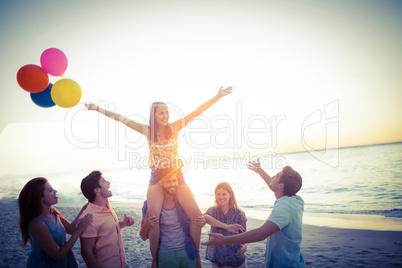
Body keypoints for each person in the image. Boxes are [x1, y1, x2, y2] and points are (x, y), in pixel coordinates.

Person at [86, 85, 233, 267]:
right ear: (154, 115)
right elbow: (121, 119)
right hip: (156, 177)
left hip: (176, 175)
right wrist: (97, 108)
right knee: (153, 217)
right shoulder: (147, 131)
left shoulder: (175, 126)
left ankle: (196, 255)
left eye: (167, 112)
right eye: (161, 113)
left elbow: (198, 112)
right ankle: (155, 258)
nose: (165, 116)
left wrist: (218, 95)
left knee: (196, 216)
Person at [202, 159, 305, 268]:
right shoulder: (295, 200)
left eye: (276, 175)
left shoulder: (284, 207)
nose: (273, 176)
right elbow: (274, 184)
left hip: (285, 265)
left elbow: (260, 234)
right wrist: (260, 171)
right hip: (293, 261)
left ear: (281, 186)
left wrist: (224, 240)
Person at [140, 169, 243, 268]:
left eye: (174, 180)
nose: (172, 184)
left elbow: (201, 218)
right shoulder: (148, 206)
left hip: (187, 251)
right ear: (161, 183)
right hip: (165, 254)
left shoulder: (184, 203)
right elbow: (143, 237)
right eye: (168, 182)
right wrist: (146, 226)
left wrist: (202, 220)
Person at [18, 177, 93, 268]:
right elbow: (58, 255)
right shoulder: (38, 224)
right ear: (40, 198)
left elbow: (71, 229)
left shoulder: (53, 212)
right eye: (50, 190)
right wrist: (79, 231)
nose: (55, 191)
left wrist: (84, 209)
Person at [79, 171, 135, 268]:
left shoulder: (106, 206)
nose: (109, 183)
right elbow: (86, 252)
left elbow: (105, 229)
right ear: (97, 190)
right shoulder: (89, 217)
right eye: (104, 181)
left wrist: (123, 223)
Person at [203, 182, 248, 268]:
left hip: (236, 260)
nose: (221, 197)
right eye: (218, 194)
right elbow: (205, 217)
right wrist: (226, 226)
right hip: (218, 261)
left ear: (230, 194)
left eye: (224, 194)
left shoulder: (239, 213)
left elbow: (245, 235)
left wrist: (244, 246)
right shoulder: (213, 211)